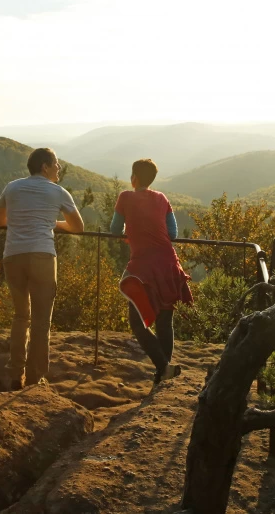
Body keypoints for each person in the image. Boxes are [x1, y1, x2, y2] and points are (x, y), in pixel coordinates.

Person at [0, 147, 84, 391]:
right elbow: (78, 227)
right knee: (41, 321)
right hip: (42, 255)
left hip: (13, 256)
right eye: (56, 164)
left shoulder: (11, 187)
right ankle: (35, 378)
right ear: (45, 166)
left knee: (21, 316)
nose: (59, 168)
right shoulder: (58, 192)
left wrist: (22, 219)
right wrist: (51, 222)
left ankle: (14, 375)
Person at [110, 158, 193, 386]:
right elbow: (173, 233)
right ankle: (162, 376)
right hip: (168, 265)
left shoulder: (125, 197)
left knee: (137, 323)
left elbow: (114, 229)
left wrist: (130, 230)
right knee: (165, 322)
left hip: (142, 268)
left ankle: (163, 367)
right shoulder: (162, 198)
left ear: (133, 177)